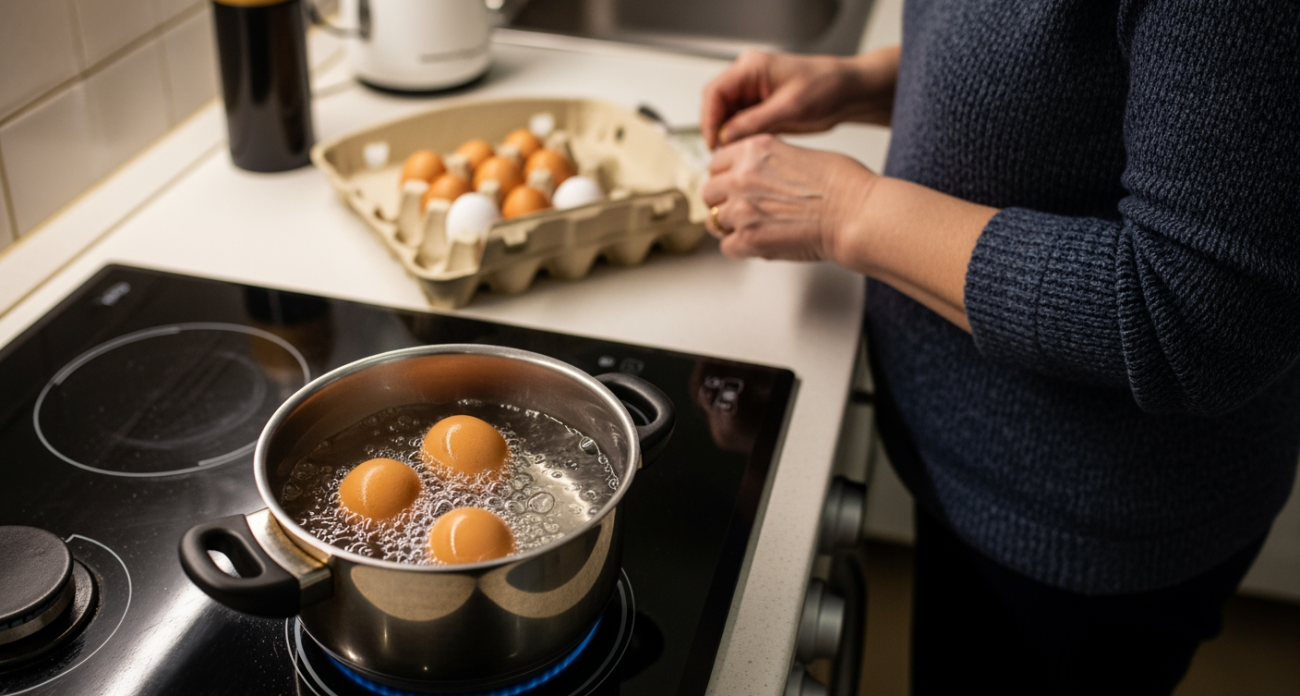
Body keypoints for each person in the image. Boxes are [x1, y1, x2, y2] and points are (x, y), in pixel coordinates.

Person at [699, 3, 1300, 694]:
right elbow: (1075, 66)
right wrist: (861, 82)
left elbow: (1192, 318)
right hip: (970, 467)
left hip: (1088, 525)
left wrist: (845, 211)